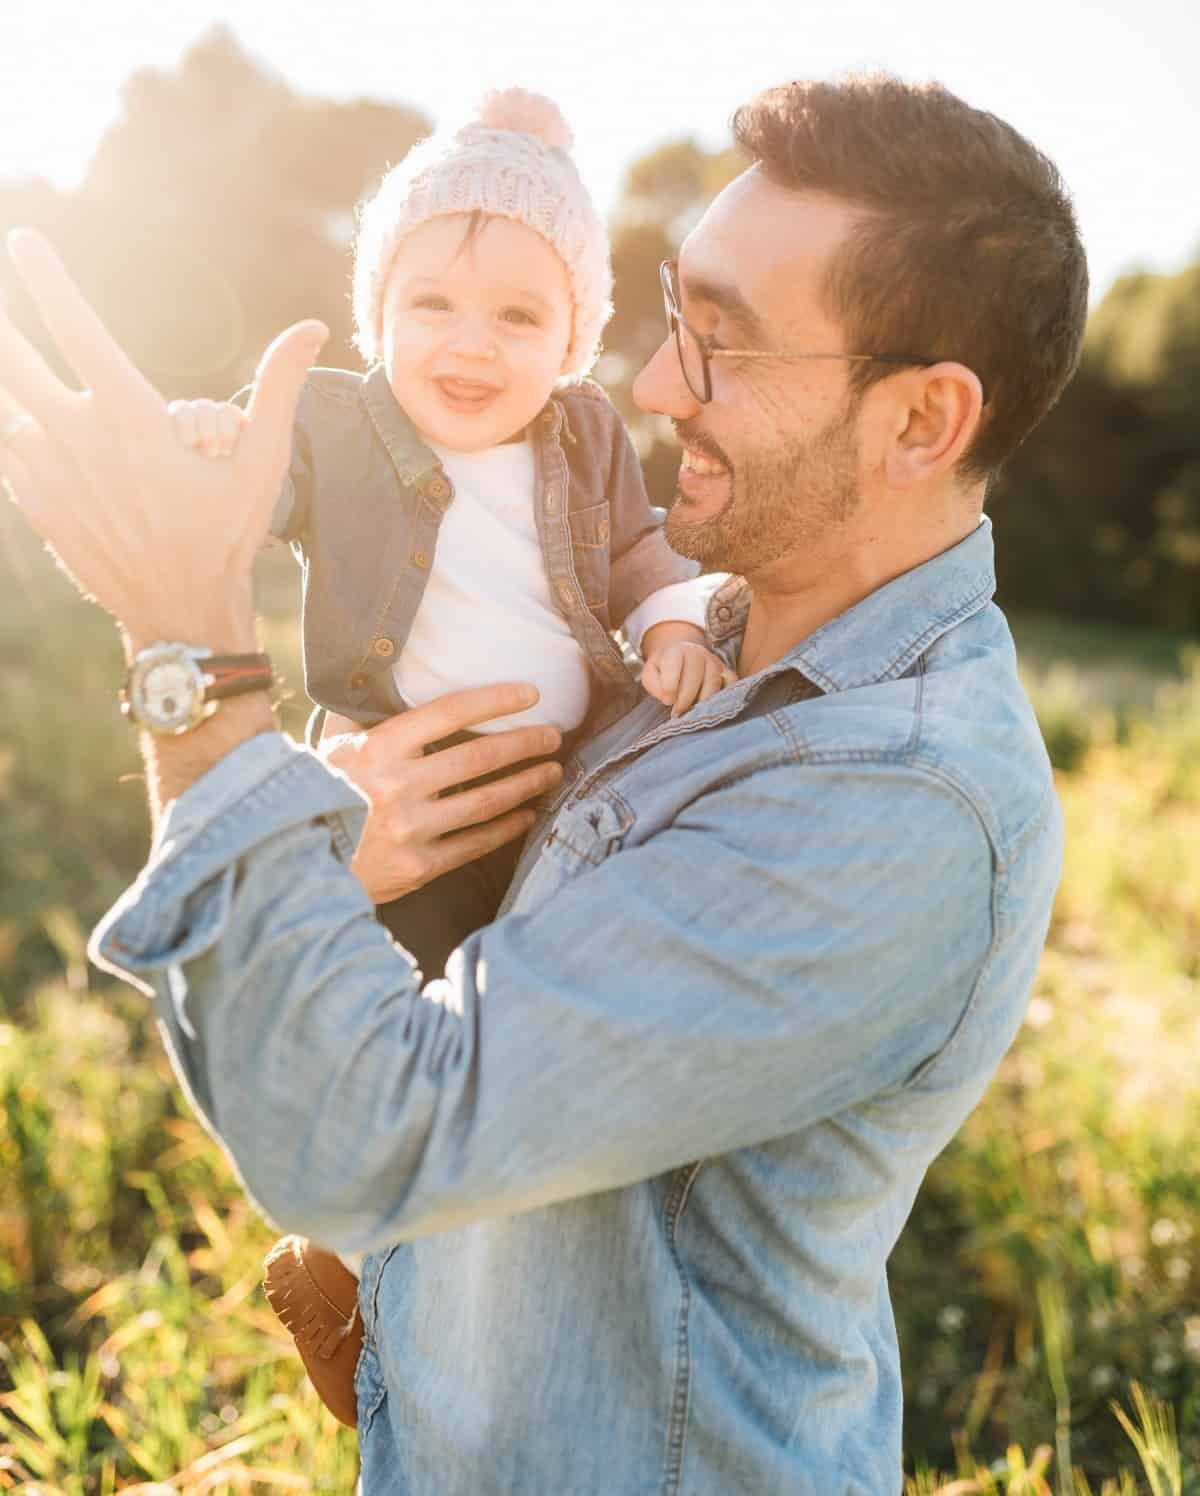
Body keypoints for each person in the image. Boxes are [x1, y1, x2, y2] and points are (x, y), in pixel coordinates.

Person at [0, 71, 1088, 1495]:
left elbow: (376, 1131)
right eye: (670, 317)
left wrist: (186, 641)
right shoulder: (713, 636)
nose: (646, 384)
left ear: (923, 422)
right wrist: (337, 855)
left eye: (722, 344)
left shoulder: (896, 796)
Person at [163, 87, 731, 1411]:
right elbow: (251, 479)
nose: (471, 346)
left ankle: (493, 1310)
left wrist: (670, 621)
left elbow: (647, 554)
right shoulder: (342, 427)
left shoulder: (585, 435)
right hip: (404, 809)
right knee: (392, 1047)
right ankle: (344, 1269)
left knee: (526, 1060)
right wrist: (211, 445)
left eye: (520, 317)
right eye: (432, 307)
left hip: (553, 811)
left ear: (574, 338)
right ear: (379, 317)